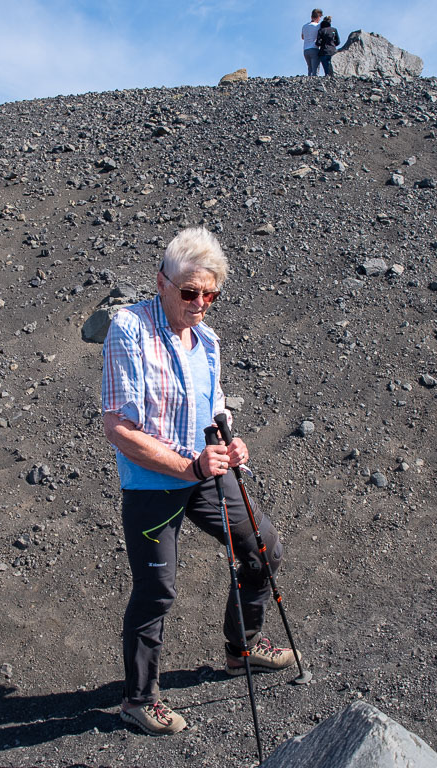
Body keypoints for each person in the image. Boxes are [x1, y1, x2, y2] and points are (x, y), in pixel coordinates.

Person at [102, 228, 300, 736]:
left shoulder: (207, 340)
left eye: (210, 295)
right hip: (153, 483)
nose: (200, 304)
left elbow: (213, 405)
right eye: (190, 292)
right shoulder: (129, 329)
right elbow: (119, 428)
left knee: (262, 549)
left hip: (206, 471)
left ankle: (243, 648)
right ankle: (138, 700)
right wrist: (187, 467)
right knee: (156, 590)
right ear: (162, 283)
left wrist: (232, 440)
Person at [301, 9, 323, 76]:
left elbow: (302, 37)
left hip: (305, 50)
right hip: (314, 48)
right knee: (315, 70)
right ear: (318, 17)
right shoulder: (318, 26)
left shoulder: (304, 26)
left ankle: (309, 81)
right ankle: (314, 81)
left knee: (310, 69)